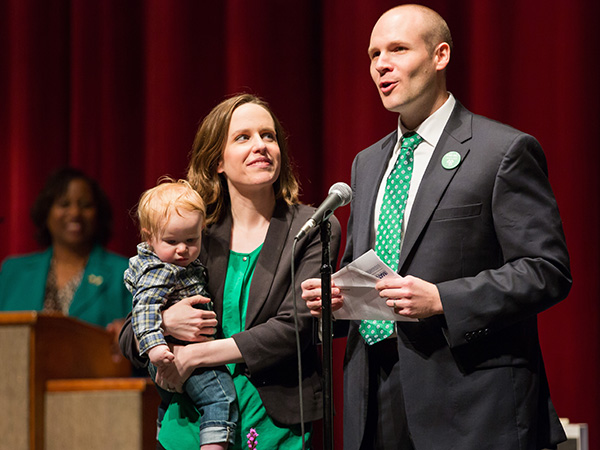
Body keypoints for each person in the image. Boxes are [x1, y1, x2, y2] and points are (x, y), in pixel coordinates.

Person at [301, 4, 571, 450]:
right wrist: (339, 297)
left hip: (471, 404)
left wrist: (443, 299)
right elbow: (370, 266)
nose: (381, 65)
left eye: (398, 49)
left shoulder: (501, 151)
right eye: (373, 55)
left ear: (440, 55)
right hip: (375, 397)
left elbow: (546, 271)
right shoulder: (367, 163)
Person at [119, 93, 342, 449]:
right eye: (243, 137)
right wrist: (164, 322)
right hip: (192, 416)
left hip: (274, 420)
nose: (261, 146)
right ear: (217, 161)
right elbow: (130, 336)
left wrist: (196, 354)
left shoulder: (312, 226)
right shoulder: (192, 233)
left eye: (268, 136)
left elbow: (297, 325)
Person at [125, 178, 237, 449]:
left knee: (168, 401)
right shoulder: (160, 270)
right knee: (219, 399)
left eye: (191, 239)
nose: (183, 249)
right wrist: (154, 347)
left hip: (173, 355)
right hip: (174, 353)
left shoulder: (179, 263)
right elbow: (143, 309)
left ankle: (162, 433)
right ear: (148, 237)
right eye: (171, 241)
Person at [0, 167, 131, 335]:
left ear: (98, 214)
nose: (75, 213)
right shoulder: (13, 271)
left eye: (85, 205)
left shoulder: (125, 272)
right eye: (64, 204)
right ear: (46, 212)